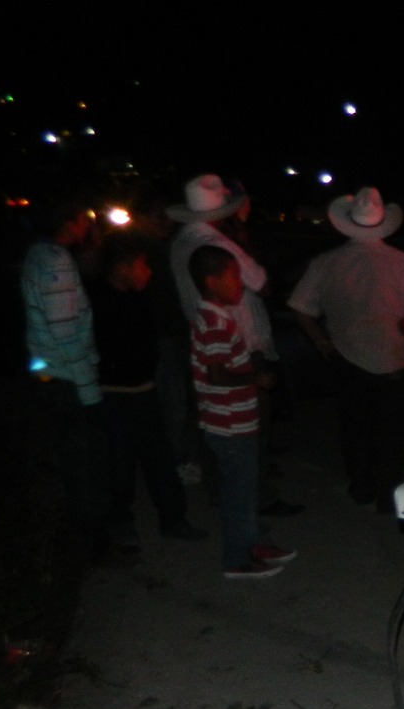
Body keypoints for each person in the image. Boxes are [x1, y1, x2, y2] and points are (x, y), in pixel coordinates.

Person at [288, 187, 404, 514]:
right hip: (392, 357)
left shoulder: (327, 262)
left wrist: (320, 341)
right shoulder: (403, 262)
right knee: (391, 430)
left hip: (346, 357)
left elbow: (301, 307)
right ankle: (388, 492)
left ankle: (361, 486)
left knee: (355, 427)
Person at [167, 174, 302, 517]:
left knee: (213, 424)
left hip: (203, 335)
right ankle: (256, 500)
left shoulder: (181, 241)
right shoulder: (219, 246)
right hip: (237, 342)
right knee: (249, 427)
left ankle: (222, 491)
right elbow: (261, 282)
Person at [88, 239, 207, 547]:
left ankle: (173, 520)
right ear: (122, 268)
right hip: (113, 395)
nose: (148, 272)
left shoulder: (140, 298)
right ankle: (120, 524)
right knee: (119, 466)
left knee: (161, 461)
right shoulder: (98, 300)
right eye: (141, 265)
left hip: (145, 391)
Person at [187, 245, 296, 580]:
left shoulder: (217, 315)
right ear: (211, 280)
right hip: (229, 425)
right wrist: (256, 377)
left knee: (245, 491)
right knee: (238, 494)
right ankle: (237, 558)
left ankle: (253, 542)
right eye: (233, 276)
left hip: (235, 421)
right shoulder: (215, 320)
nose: (239, 282)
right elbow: (217, 373)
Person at [21, 197, 118, 561]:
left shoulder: (38, 254)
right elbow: (65, 329)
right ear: (71, 219)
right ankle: (95, 545)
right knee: (87, 465)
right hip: (69, 380)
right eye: (85, 218)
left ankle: (86, 539)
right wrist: (89, 389)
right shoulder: (58, 262)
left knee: (75, 461)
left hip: (51, 374)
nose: (88, 225)